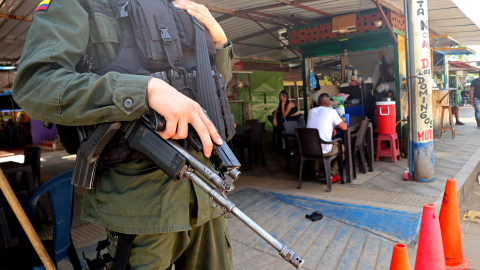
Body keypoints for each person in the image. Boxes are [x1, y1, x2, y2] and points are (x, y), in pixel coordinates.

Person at [12, 0, 234, 269]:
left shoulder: (176, 5)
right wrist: (144, 91)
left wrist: (220, 45)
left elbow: (211, 89)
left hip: (207, 194)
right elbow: (35, 87)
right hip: (141, 208)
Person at [306, 93, 347, 182]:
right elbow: (344, 127)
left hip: (309, 149)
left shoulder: (310, 112)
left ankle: (316, 172)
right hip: (324, 150)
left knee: (316, 142)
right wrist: (343, 120)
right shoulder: (331, 111)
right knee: (341, 148)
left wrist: (331, 126)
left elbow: (317, 124)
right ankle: (332, 174)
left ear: (317, 103)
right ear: (329, 104)